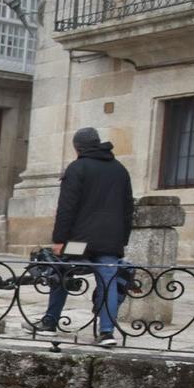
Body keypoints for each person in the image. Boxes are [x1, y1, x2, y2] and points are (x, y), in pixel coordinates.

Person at [42, 126, 134, 347]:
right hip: (110, 240)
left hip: (79, 242)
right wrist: (122, 239)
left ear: (77, 147)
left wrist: (59, 240)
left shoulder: (77, 168)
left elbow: (67, 207)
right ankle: (107, 332)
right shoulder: (120, 170)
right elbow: (128, 208)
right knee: (109, 281)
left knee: (61, 270)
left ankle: (50, 322)